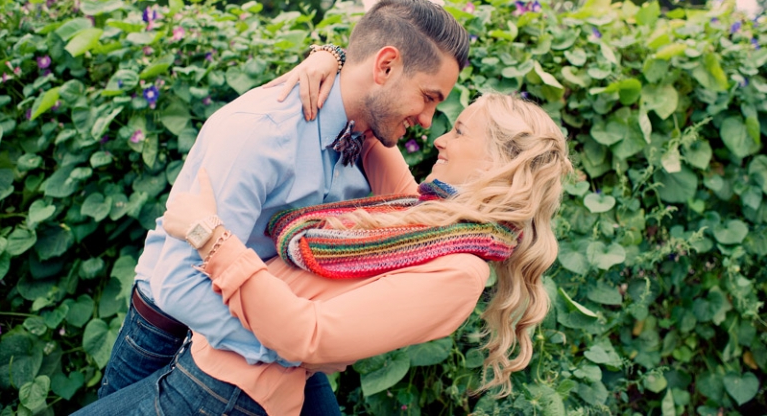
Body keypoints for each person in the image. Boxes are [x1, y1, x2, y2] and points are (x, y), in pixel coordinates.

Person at [76, 93, 572, 415]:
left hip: (227, 394)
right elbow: (369, 114)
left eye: (461, 130)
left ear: (499, 162)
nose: (440, 137)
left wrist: (212, 237)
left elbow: (310, 338)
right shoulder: (422, 215)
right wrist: (326, 60)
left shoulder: (459, 268)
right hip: (217, 367)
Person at [96, 0, 469, 414]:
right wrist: (295, 348)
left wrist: (332, 54)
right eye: (429, 97)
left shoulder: (370, 139)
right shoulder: (261, 134)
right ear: (385, 67)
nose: (427, 120)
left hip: (271, 336)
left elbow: (411, 212)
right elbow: (180, 283)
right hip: (171, 331)